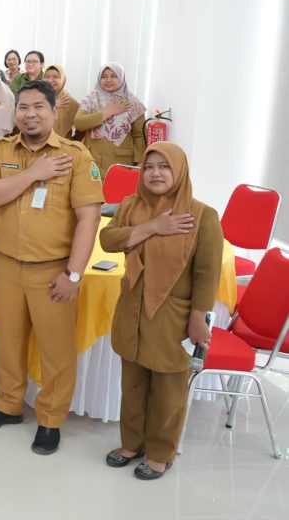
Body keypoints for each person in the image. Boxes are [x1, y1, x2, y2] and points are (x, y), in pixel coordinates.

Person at [0, 80, 103, 455]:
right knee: (8, 340)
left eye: (38, 107)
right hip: (7, 262)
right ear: (15, 114)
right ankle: (8, 404)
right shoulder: (0, 150)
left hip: (52, 269)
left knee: (56, 349)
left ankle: (50, 418)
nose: (30, 114)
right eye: (23, 107)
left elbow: (88, 219)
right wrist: (32, 174)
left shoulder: (76, 156)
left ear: (54, 111)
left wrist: (73, 273)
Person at [101, 142, 222, 480]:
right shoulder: (130, 206)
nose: (155, 173)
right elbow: (108, 241)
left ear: (179, 171)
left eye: (164, 167)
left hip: (173, 317)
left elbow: (207, 273)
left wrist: (199, 317)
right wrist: (151, 227)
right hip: (132, 310)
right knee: (133, 384)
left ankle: (161, 453)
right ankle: (131, 444)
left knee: (169, 390)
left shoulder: (201, 216)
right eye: (149, 167)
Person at [74, 62, 147, 177]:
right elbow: (79, 123)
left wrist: (139, 162)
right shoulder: (91, 99)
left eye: (113, 76)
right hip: (91, 159)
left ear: (121, 78)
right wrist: (107, 112)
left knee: (117, 193)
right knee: (90, 193)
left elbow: (139, 136)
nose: (108, 80)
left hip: (121, 162)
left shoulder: (133, 104)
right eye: (104, 76)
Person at [43, 64, 80, 140]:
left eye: (55, 77)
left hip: (61, 147)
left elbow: (81, 126)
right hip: (37, 145)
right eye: (47, 76)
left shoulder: (69, 101)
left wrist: (73, 142)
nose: (50, 80)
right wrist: (52, 104)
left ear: (62, 79)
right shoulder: (37, 97)